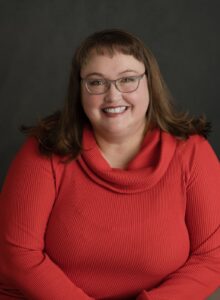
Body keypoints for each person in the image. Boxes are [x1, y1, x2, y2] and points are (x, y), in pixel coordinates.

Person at [0, 29, 219, 300]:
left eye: (127, 80)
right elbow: (19, 254)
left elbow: (211, 255)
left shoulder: (192, 152)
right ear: (79, 90)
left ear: (150, 83)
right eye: (96, 82)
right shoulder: (45, 149)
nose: (113, 96)